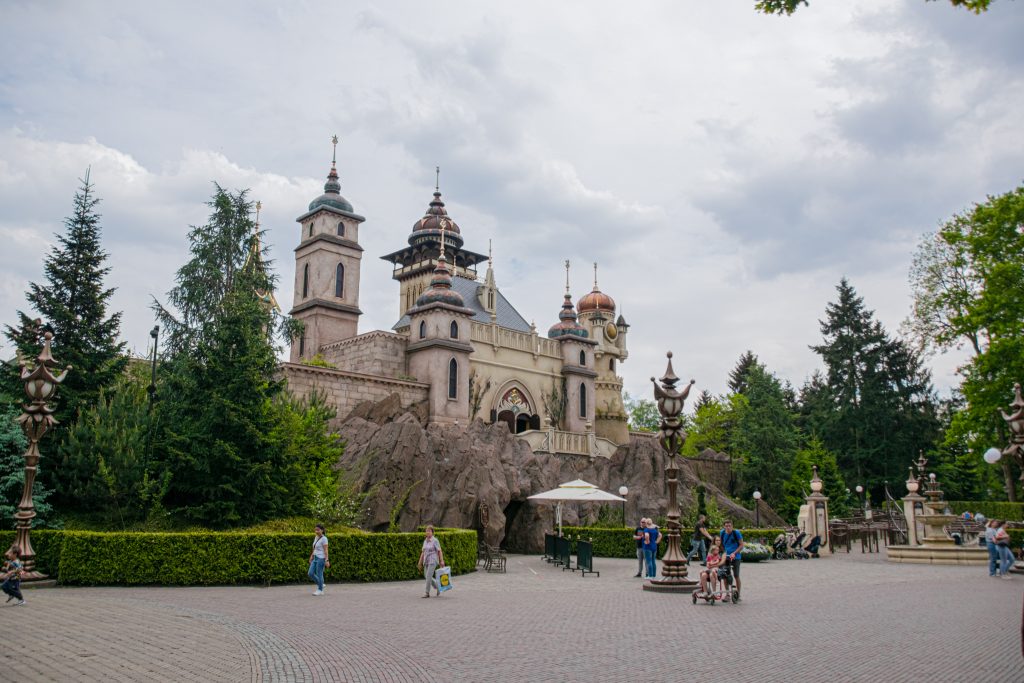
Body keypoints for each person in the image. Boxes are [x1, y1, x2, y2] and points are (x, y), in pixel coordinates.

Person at [719, 520, 745, 600]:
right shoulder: (722, 533)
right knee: (725, 575)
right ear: (724, 526)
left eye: (729, 526)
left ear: (732, 526)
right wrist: (724, 552)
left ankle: (738, 594)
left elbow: (741, 545)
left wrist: (734, 553)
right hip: (726, 557)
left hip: (736, 557)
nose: (728, 527)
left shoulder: (736, 533)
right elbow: (721, 544)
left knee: (736, 575)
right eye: (726, 526)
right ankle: (727, 594)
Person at [418, 525, 445, 598]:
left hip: (433, 560)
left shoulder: (435, 540)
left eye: (429, 531)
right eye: (426, 531)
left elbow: (439, 551)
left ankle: (427, 593)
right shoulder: (425, 541)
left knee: (428, 576)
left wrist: (441, 561)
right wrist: (420, 562)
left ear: (432, 532)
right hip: (426, 561)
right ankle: (438, 586)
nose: (428, 532)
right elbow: (423, 552)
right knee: (426, 576)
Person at [308, 523, 330, 596]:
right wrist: (311, 556)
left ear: (322, 530)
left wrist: (326, 560)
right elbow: (314, 548)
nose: (316, 531)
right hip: (315, 557)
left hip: (321, 558)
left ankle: (320, 590)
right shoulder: (316, 537)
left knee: (319, 574)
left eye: (318, 530)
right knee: (310, 573)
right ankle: (321, 584)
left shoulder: (324, 539)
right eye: (315, 530)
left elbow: (326, 550)